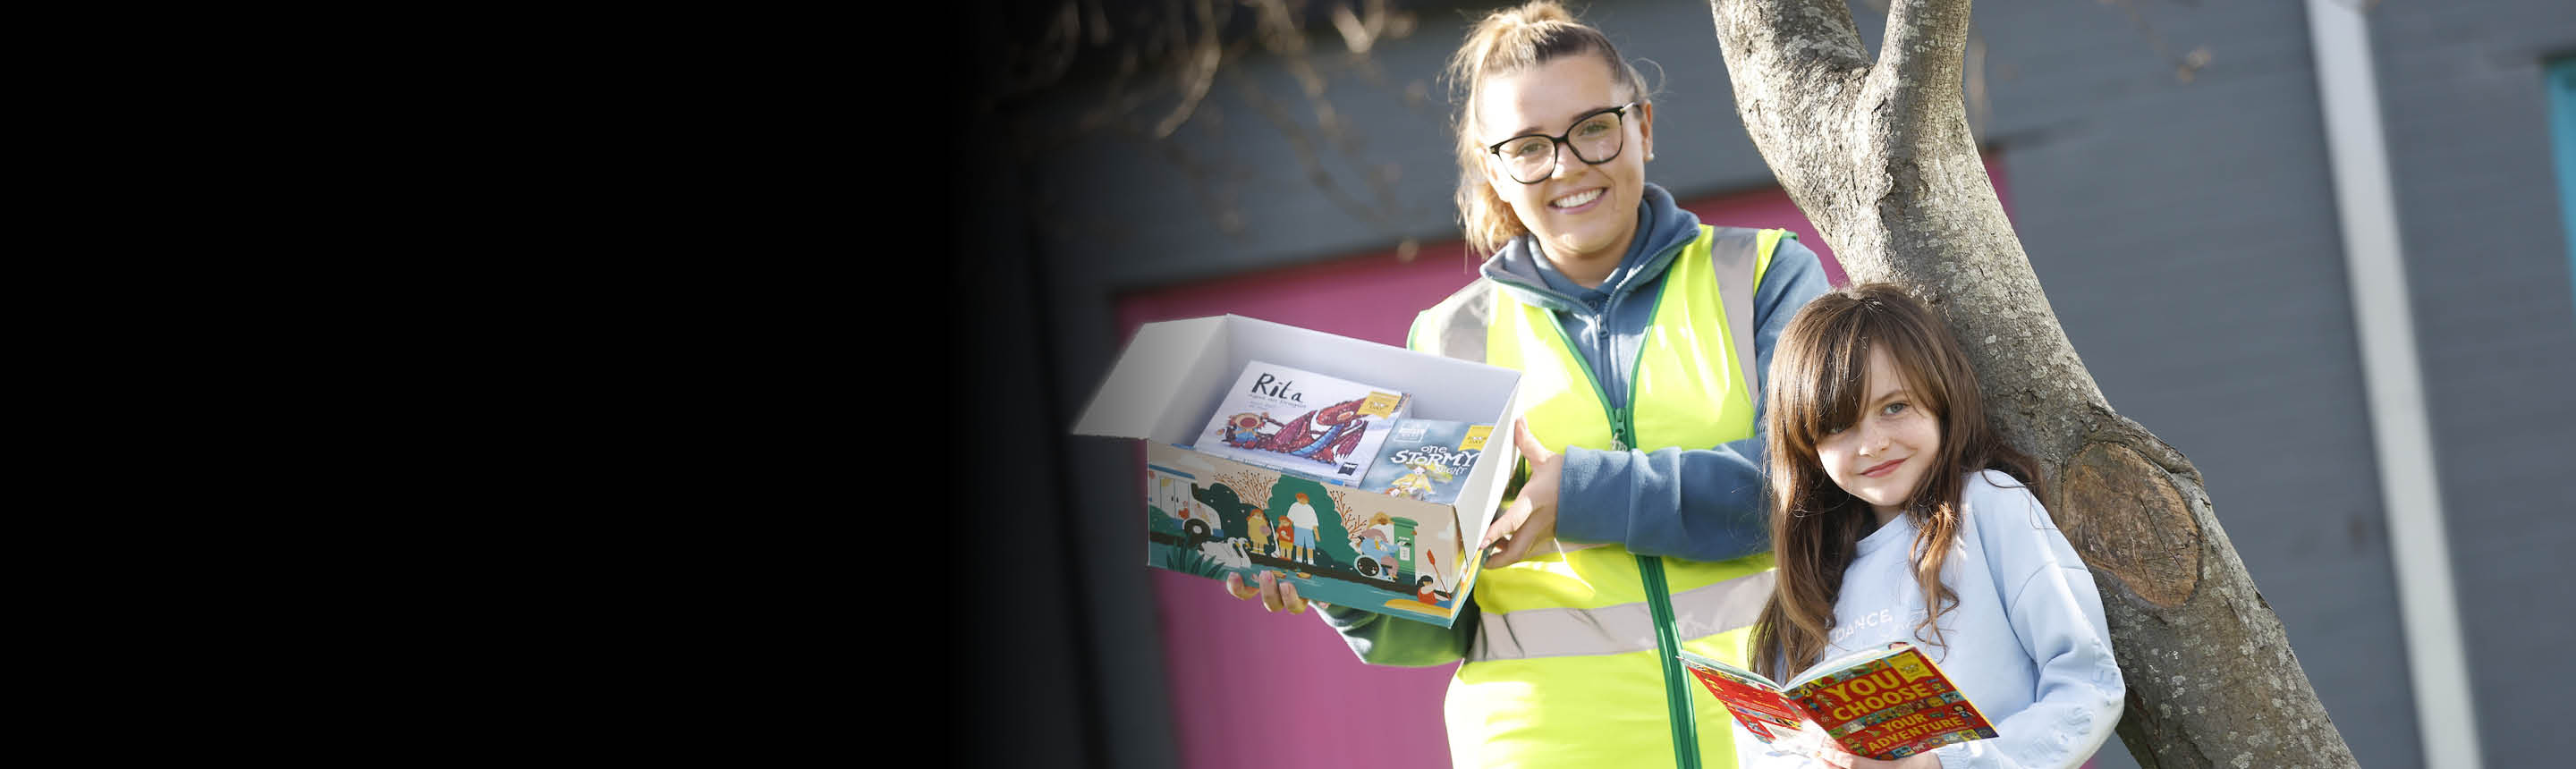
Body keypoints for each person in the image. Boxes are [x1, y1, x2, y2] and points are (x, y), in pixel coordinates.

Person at [1224, 3, 1830, 766]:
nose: (1567, 165)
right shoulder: (1449, 341)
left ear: (1642, 125)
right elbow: (1427, 624)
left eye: (1593, 128)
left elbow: (1810, 484)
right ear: (1495, 172)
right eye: (1528, 148)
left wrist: (1574, 494)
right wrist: (1327, 574)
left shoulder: (1766, 277)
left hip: (1780, 740)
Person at [1739, 284, 2123, 768]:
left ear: (1941, 398)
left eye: (1894, 407)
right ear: (1807, 447)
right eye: (1839, 425)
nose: (1872, 443)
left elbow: (2089, 685)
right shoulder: (1809, 583)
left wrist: (1946, 764)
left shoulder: (1988, 505)